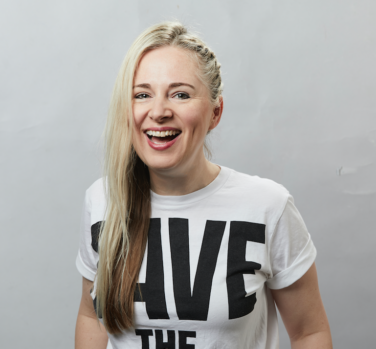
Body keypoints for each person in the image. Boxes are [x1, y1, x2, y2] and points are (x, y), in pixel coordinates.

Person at [75, 21, 332, 349]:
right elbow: (90, 319)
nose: (159, 112)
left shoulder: (268, 206)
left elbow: (310, 333)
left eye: (180, 94)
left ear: (215, 112)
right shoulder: (102, 200)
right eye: (142, 94)